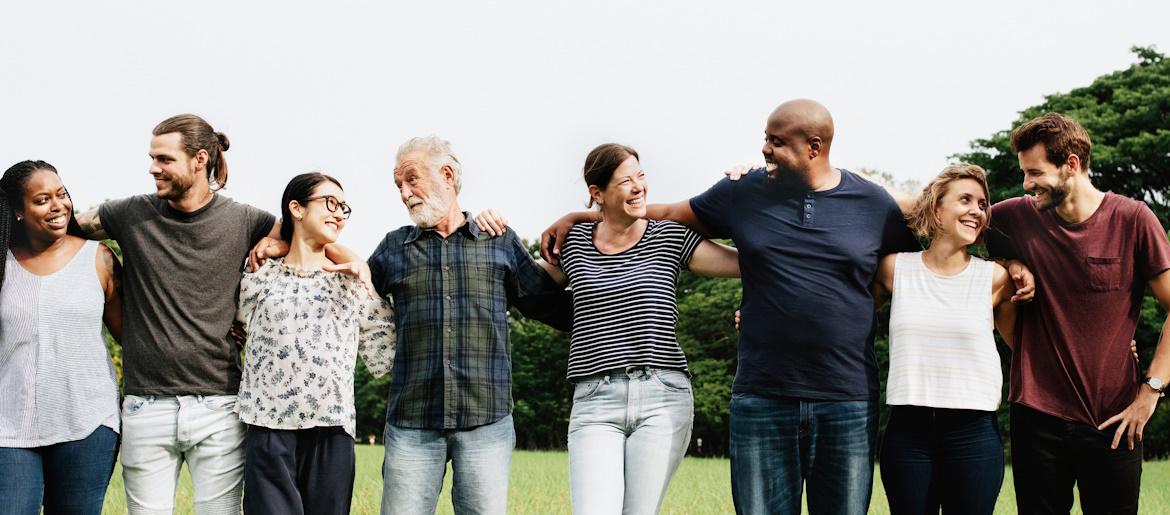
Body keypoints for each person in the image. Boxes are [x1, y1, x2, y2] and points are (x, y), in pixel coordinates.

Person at [541, 99, 923, 514]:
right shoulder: (743, 191)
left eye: (776, 141)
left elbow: (905, 270)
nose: (765, 149)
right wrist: (584, 215)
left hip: (846, 397)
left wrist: (859, 310)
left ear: (814, 147)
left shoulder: (872, 203)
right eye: (765, 138)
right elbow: (669, 213)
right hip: (762, 396)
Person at [508, 143, 740, 514]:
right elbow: (526, 285)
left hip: (662, 396)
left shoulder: (669, 235)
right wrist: (494, 235)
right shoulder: (574, 242)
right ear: (597, 194)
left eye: (641, 177)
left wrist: (753, 191)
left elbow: (745, 264)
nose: (639, 187)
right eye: (625, 181)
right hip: (595, 399)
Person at [75, 114, 282, 514]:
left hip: (220, 407)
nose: (153, 168)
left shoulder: (245, 220)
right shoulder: (129, 214)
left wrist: (345, 261)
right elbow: (60, 227)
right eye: (152, 158)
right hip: (144, 405)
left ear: (199, 159)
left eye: (164, 159)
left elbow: (307, 237)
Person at [368, 136, 572, 515]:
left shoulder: (499, 241)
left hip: (486, 421)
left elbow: (552, 306)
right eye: (398, 185)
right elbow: (348, 304)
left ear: (446, 175)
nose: (403, 192)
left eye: (411, 179)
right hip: (412, 420)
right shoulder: (393, 248)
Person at [986, 112, 1170, 514]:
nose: (1026, 184)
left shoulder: (1133, 219)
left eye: (1035, 173)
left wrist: (1150, 392)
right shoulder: (1013, 217)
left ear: (1071, 164)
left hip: (1114, 420)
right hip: (1036, 416)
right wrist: (1009, 264)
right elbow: (948, 223)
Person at [235, 172, 395, 515]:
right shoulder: (258, 278)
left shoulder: (354, 284)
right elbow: (234, 332)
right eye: (329, 203)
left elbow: (387, 355)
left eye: (344, 208)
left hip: (332, 430)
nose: (339, 213)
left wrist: (363, 272)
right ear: (296, 208)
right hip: (268, 428)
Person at [870, 164, 1016, 514]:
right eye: (964, 200)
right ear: (936, 209)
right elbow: (840, 313)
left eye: (982, 204)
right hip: (908, 432)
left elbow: (1028, 347)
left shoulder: (995, 278)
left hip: (973, 433)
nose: (976, 211)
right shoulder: (894, 268)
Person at [0, 160, 122, 515]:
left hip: (87, 422)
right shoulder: (2, 264)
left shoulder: (98, 259)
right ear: (18, 211)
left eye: (62, 195)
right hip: (9, 425)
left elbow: (133, 336)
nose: (58, 206)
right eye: (42, 200)